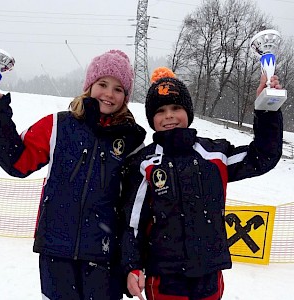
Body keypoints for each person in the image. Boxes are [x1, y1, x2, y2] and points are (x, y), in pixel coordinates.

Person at [0, 50, 146, 300]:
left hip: (104, 257)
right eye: (102, 84)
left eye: (118, 89)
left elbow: (135, 209)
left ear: (126, 97)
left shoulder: (131, 141)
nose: (109, 94)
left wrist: (133, 262)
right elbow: (17, 161)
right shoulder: (59, 125)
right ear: (89, 86)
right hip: (56, 250)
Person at [120, 67, 283, 300]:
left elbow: (263, 157)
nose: (169, 116)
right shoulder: (144, 163)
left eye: (176, 108)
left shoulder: (214, 154)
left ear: (188, 111)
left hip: (209, 275)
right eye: (161, 110)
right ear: (151, 118)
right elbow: (132, 223)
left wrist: (267, 108)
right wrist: (131, 266)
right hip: (165, 277)